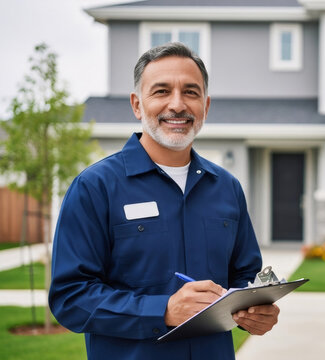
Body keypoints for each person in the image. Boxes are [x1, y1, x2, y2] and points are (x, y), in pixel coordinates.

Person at [49, 42, 279, 360]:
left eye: (190, 92)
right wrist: (164, 310)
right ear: (137, 104)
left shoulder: (227, 188)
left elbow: (245, 277)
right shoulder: (95, 187)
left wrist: (255, 312)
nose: (177, 104)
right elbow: (71, 298)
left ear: (206, 106)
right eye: (161, 91)